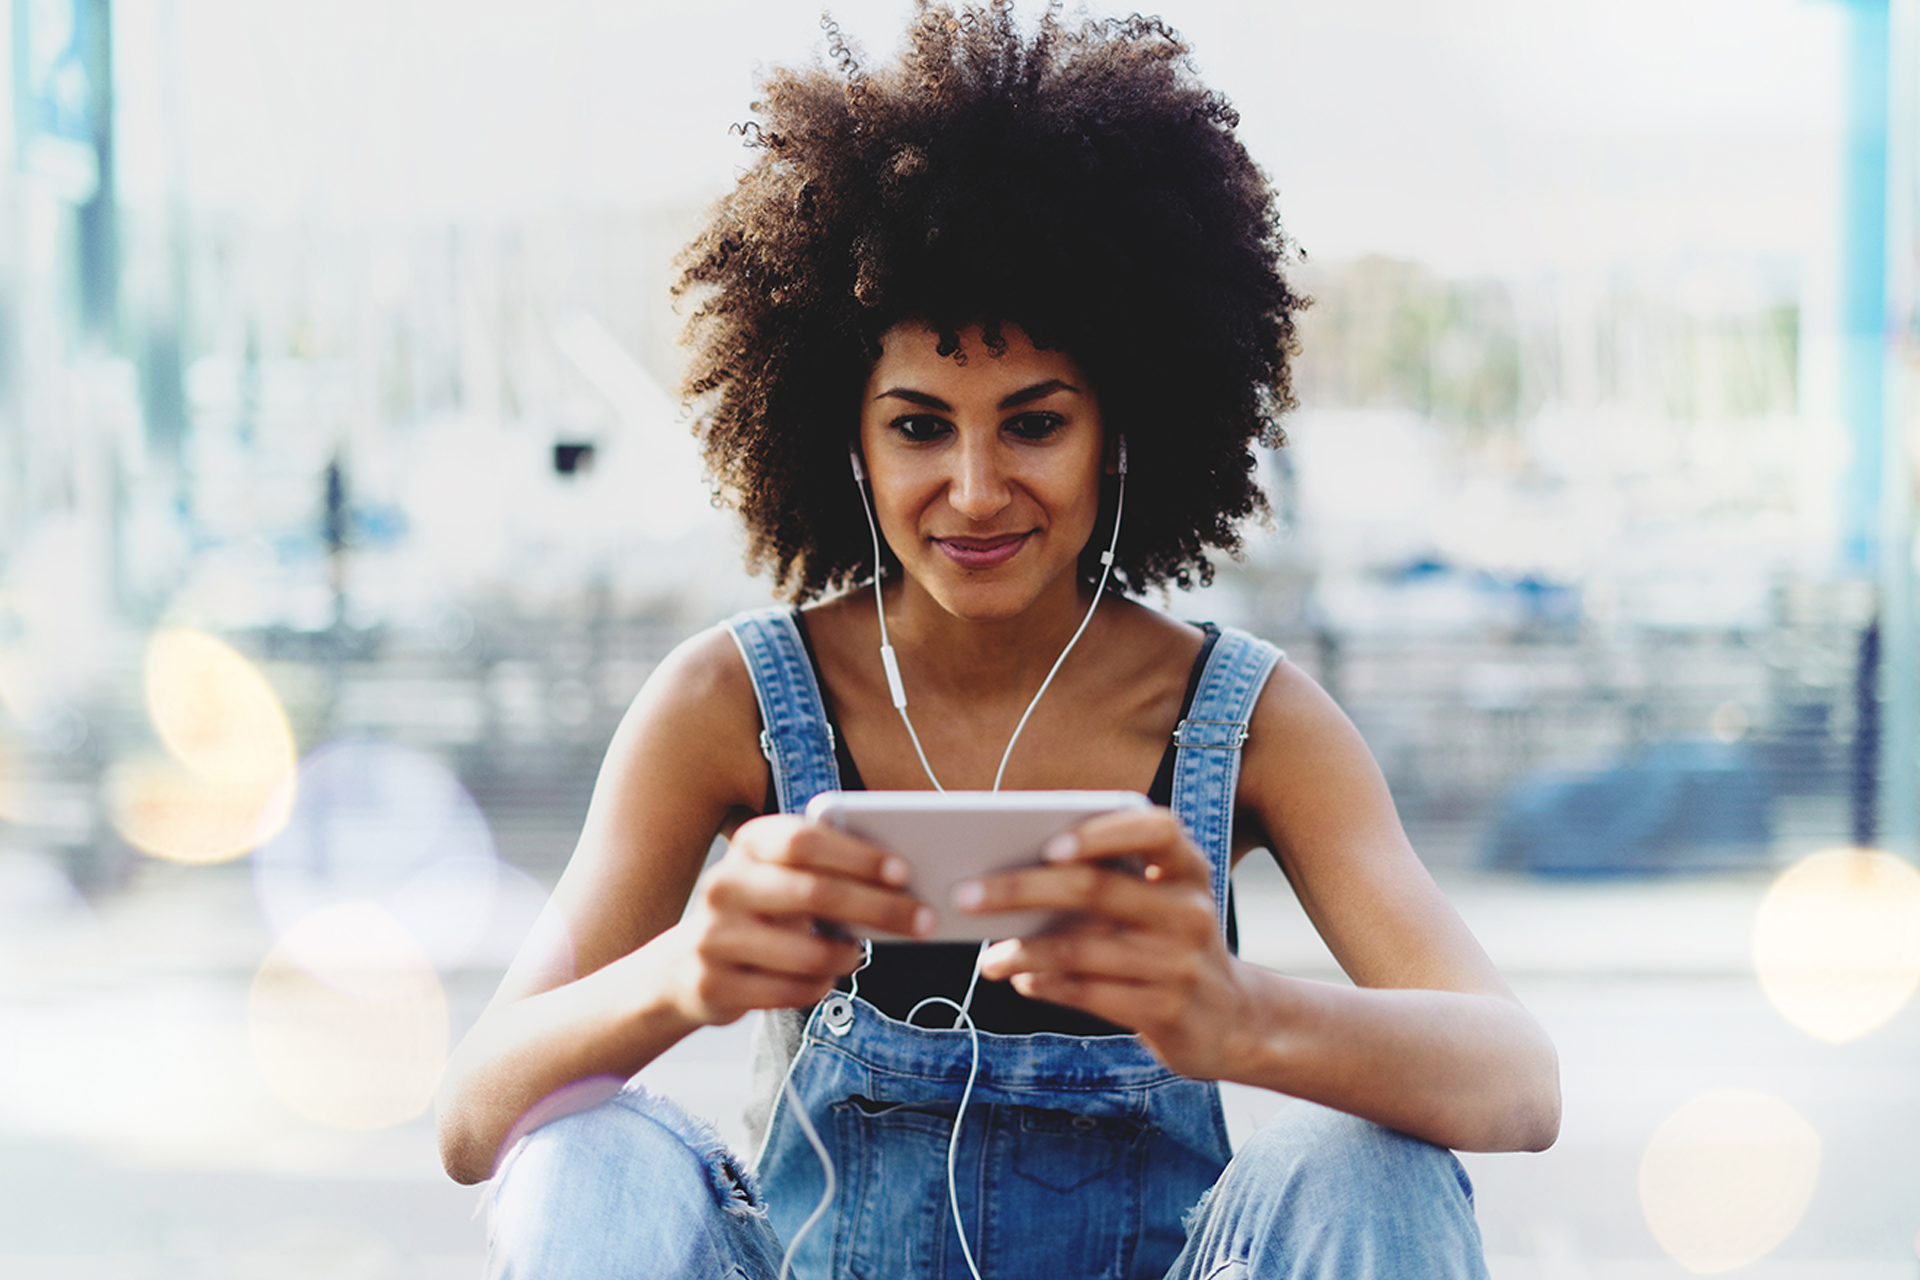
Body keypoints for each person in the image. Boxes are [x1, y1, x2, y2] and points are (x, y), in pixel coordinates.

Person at [435, 4, 1561, 1277]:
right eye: (919, 427)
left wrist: (1240, 1015)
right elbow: (477, 1113)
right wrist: (690, 969)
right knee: (589, 1151)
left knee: (1371, 1167)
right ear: (843, 436)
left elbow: (1518, 1083)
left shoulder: (1243, 719)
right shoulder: (731, 701)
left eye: (1034, 423)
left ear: (1122, 428)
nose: (974, 490)